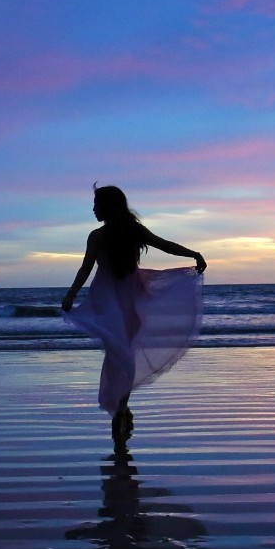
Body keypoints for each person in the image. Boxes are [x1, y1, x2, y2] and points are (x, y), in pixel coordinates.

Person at [59, 185, 206, 442]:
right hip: (105, 303)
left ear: (108, 206)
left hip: (131, 300)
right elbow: (85, 268)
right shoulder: (96, 237)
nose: (93, 209)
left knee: (126, 359)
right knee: (118, 357)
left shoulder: (132, 231)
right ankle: (122, 408)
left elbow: (163, 244)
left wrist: (193, 254)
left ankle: (121, 409)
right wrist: (71, 294)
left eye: (96, 204)